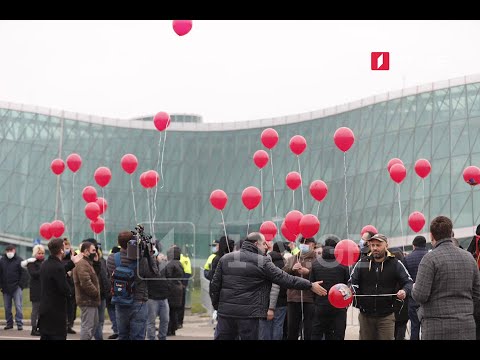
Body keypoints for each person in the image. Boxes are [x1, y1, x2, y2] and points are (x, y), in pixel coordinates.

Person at [209, 232, 327, 340]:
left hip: (226, 314)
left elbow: (214, 286)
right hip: (250, 315)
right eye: (264, 243)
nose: (266, 247)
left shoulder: (225, 259)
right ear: (256, 244)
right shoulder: (262, 262)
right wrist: (310, 285)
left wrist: (218, 307)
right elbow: (284, 278)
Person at [412, 216, 480, 340]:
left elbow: (420, 295)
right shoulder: (469, 258)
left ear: (432, 236)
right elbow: (477, 294)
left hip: (436, 327)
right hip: (466, 325)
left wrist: (414, 287)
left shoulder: (429, 259)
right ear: (450, 233)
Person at [349, 233, 413, 340]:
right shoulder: (362, 262)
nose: (375, 248)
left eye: (378, 245)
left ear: (386, 246)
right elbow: (352, 281)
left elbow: (409, 282)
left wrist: (404, 291)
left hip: (387, 316)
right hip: (365, 315)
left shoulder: (395, 263)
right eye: (372, 245)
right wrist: (351, 290)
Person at [106, 230, 159, 340]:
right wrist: (149, 256)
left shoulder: (111, 259)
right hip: (138, 301)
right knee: (138, 336)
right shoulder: (142, 260)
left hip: (120, 300)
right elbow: (154, 274)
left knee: (123, 335)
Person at [38, 238, 82, 340]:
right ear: (61, 250)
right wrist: (72, 291)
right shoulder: (57, 267)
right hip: (56, 313)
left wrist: (72, 263)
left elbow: (57, 271)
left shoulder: (45, 264)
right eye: (64, 246)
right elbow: (65, 289)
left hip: (45, 310)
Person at [310, 236, 349, 340]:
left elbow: (312, 285)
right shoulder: (343, 264)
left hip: (320, 305)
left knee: (317, 333)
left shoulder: (315, 264)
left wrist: (317, 301)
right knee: (337, 334)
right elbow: (347, 285)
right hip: (339, 306)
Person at [283, 236, 317, 340]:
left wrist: (309, 272)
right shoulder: (292, 258)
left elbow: (320, 277)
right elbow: (282, 274)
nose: (303, 245)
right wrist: (292, 269)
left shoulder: (317, 260)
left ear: (313, 245)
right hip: (293, 298)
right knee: (292, 329)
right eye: (302, 242)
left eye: (307, 242)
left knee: (309, 329)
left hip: (310, 298)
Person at [73, 241, 101, 340]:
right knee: (88, 327)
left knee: (94, 324)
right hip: (87, 300)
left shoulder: (88, 263)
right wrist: (96, 293)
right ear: (86, 251)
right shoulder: (82, 264)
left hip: (91, 300)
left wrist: (97, 262)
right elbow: (85, 282)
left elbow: (95, 276)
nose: (95, 252)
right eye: (93, 250)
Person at [403, 235, 428, 340]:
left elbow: (404, 279)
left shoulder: (407, 258)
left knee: (414, 326)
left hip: (413, 296)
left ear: (414, 246)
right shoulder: (430, 256)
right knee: (427, 327)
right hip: (427, 297)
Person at [0, 244, 28, 331]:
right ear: (5, 252)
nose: (9, 253)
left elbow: (24, 274)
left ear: (14, 251)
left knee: (18, 306)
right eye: (8, 251)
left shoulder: (19, 260)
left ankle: (19, 323)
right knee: (7, 307)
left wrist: (20, 285)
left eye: (11, 251)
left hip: (16, 287)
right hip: (5, 288)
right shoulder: (2, 261)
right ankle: (9, 324)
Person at [21, 244, 46, 336]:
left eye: (43, 253)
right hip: (36, 290)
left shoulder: (45, 262)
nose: (41, 255)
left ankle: (41, 327)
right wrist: (43, 269)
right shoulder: (32, 263)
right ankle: (34, 328)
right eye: (39, 253)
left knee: (42, 311)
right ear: (35, 254)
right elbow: (34, 274)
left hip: (44, 290)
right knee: (35, 310)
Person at [389, 247, 409, 340]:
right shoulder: (405, 272)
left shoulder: (390, 271)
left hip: (392, 306)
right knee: (401, 328)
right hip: (403, 305)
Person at [166, 245, 185, 336]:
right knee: (174, 311)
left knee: (169, 311)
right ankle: (173, 328)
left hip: (172, 289)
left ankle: (169, 329)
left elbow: (168, 276)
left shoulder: (170, 264)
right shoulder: (179, 263)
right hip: (178, 288)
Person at [62, 238, 77, 334]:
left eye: (68, 248)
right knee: (65, 308)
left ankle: (70, 325)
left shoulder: (73, 258)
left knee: (72, 309)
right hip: (64, 287)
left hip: (72, 287)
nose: (66, 250)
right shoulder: (60, 260)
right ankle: (65, 325)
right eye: (65, 248)